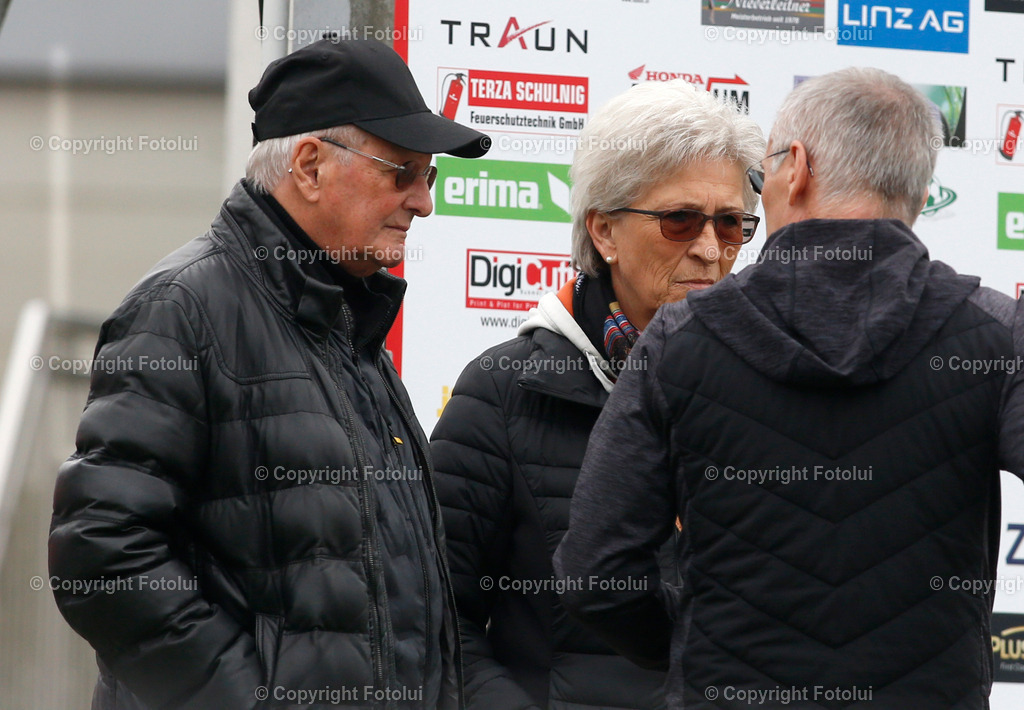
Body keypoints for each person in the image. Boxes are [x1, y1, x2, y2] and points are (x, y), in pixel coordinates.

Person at [554, 67, 1024, 709]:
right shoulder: (997, 334)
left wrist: (709, 646)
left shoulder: (679, 339)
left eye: (761, 174)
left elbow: (593, 574)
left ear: (796, 167)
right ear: (917, 187)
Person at [48, 38, 489, 709]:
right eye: (403, 172)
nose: (424, 203)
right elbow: (102, 557)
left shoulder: (347, 323)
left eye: (430, 177)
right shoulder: (184, 309)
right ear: (309, 166)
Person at [430, 80, 764, 710]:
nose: (710, 249)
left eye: (731, 224)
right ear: (605, 232)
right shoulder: (502, 393)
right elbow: (437, 616)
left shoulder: (766, 394)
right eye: (679, 220)